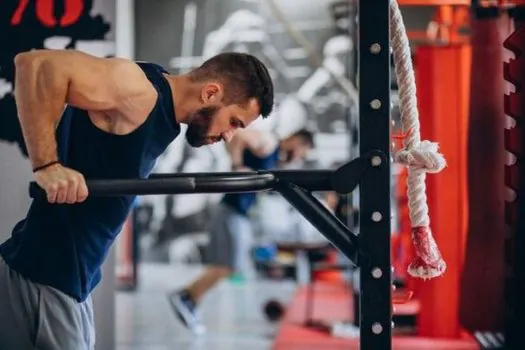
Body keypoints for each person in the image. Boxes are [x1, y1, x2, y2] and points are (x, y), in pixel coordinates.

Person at [0, 49, 274, 350]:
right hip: (45, 279)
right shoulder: (139, 91)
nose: (229, 136)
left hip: (64, 278)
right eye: (234, 122)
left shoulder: (157, 94)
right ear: (211, 93)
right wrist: (47, 165)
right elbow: (35, 65)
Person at [168, 128, 314, 335]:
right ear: (297, 140)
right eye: (301, 151)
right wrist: (236, 165)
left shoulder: (274, 154)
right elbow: (239, 134)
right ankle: (186, 296)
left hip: (236, 213)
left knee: (224, 265)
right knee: (230, 266)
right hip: (232, 211)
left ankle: (190, 301)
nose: (299, 156)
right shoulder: (268, 142)